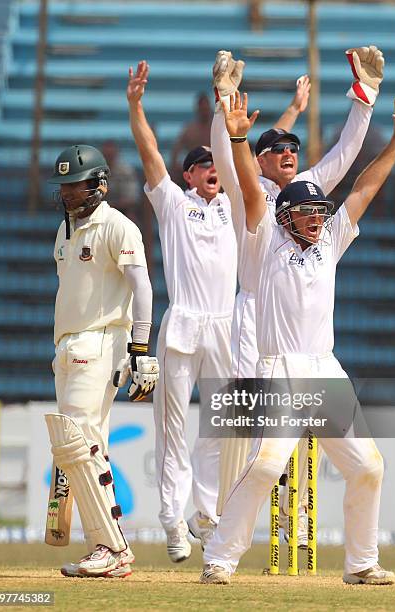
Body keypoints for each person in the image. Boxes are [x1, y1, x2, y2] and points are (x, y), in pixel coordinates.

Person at [200, 92, 395, 585]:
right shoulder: (261, 242)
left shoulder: (329, 241)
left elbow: (362, 188)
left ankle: (361, 564)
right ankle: (220, 558)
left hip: (324, 368)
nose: (318, 219)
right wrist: (236, 138)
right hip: (280, 368)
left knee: (368, 467)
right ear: (286, 216)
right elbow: (250, 192)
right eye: (309, 213)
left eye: (321, 212)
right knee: (265, 467)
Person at [127, 61, 237, 562]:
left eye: (219, 162)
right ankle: (172, 521)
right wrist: (136, 106)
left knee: (222, 424)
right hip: (184, 324)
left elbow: (243, 153)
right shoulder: (173, 201)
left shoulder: (233, 205)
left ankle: (204, 513)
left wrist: (225, 104)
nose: (214, 167)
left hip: (224, 327)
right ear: (189, 173)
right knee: (172, 428)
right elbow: (150, 154)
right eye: (204, 163)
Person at [46, 144, 159, 578]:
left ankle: (111, 547)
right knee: (87, 445)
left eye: (76, 186)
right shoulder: (65, 231)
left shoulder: (118, 226)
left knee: (76, 442)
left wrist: (141, 350)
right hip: (70, 347)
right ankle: (106, 545)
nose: (68, 195)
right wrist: (60, 346)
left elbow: (143, 288)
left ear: (99, 185)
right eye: (64, 188)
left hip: (103, 343)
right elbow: (71, 293)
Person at [170, 92, 214, 185]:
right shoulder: (190, 129)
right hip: (194, 168)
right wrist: (176, 165)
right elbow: (177, 148)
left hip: (215, 167)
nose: (204, 110)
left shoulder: (216, 129)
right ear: (198, 109)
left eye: (206, 107)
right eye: (202, 108)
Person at [101, 140, 143, 228]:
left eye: (110, 155)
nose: (108, 158)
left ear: (116, 155)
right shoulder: (96, 173)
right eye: (106, 156)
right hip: (99, 212)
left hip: (122, 211)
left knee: (131, 220)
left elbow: (132, 200)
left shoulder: (126, 171)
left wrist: (110, 205)